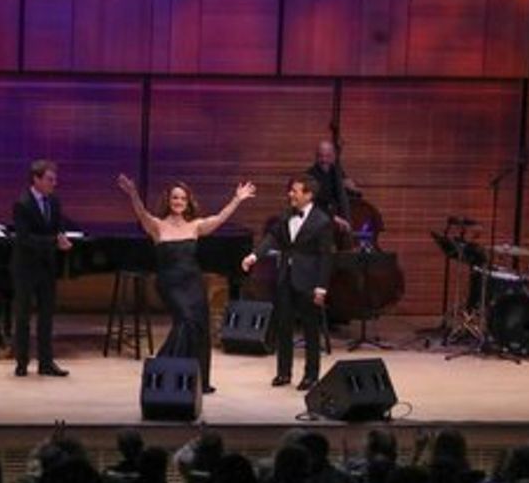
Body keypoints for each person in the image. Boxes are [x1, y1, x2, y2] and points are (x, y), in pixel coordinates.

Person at [117, 174, 256, 394]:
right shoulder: (157, 226)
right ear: (168, 201)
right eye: (174, 198)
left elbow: (220, 218)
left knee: (200, 327)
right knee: (186, 322)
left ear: (188, 201)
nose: (178, 202)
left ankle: (196, 379)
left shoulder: (196, 226)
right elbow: (141, 214)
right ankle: (164, 371)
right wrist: (133, 193)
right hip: (170, 284)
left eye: (182, 198)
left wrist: (237, 199)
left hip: (193, 282)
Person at [241, 174, 334, 390]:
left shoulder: (322, 221)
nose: (290, 194)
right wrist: (254, 256)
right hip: (285, 278)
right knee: (284, 327)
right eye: (290, 190)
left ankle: (311, 375)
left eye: (295, 191)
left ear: (308, 195)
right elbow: (271, 238)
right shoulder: (285, 215)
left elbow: (326, 257)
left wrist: (321, 287)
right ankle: (284, 373)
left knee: (311, 329)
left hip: (309, 281)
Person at [11, 159, 75, 377]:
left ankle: (46, 363)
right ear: (36, 179)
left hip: (47, 267)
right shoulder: (22, 203)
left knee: (46, 317)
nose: (54, 183)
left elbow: (58, 227)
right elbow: (24, 238)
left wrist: (63, 237)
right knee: (23, 316)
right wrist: (53, 242)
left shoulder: (54, 201)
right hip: (26, 268)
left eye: (54, 179)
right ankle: (21, 362)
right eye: (49, 179)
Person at [306, 139, 357, 233]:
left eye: (328, 156)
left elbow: (351, 196)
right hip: (320, 224)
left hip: (340, 220)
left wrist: (352, 188)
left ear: (333, 156)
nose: (324, 160)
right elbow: (311, 206)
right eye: (321, 156)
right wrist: (333, 217)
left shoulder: (337, 172)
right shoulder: (310, 176)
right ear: (316, 157)